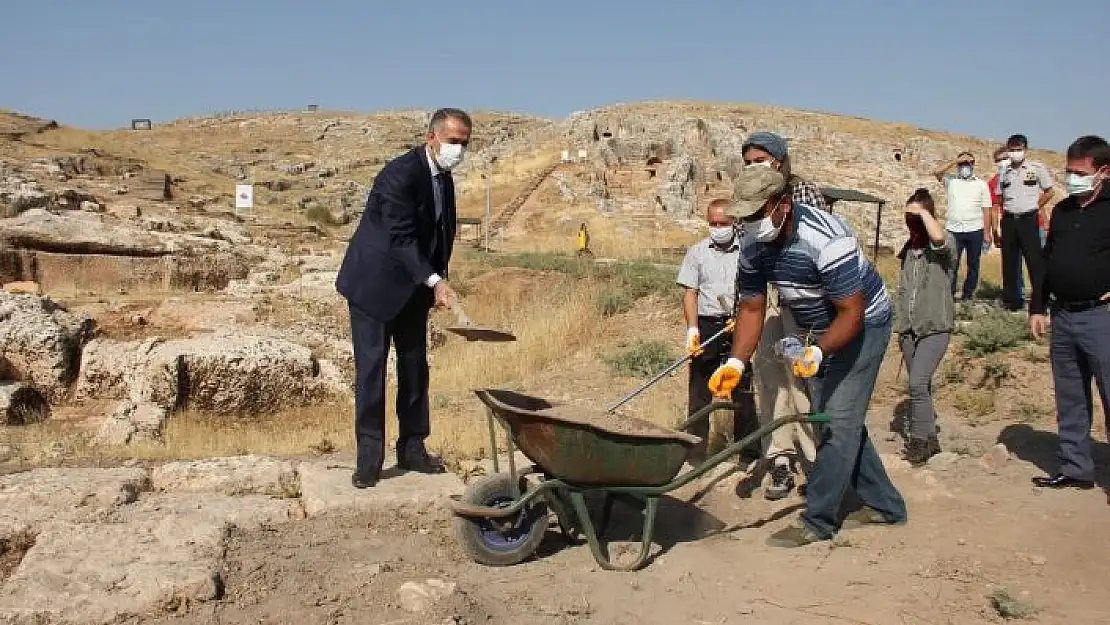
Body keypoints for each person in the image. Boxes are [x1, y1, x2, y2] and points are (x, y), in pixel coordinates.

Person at [709, 166, 907, 547]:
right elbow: (751, 308)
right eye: (742, 217)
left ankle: (817, 520)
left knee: (837, 420)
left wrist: (818, 351)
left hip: (863, 326)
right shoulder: (752, 243)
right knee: (834, 420)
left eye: (755, 214)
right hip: (815, 330)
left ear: (782, 204)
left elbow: (852, 312)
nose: (747, 224)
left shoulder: (827, 240)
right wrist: (736, 362)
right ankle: (885, 505)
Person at [335, 108, 471, 488]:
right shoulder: (399, 175)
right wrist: (434, 280)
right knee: (372, 371)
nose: (458, 150)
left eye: (465, 143)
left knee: (415, 368)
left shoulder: (443, 179)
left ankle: (413, 447)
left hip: (414, 289)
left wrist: (438, 279)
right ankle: (369, 459)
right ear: (432, 137)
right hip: (374, 288)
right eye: (453, 141)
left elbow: (440, 234)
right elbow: (401, 238)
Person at [739, 131, 825, 498]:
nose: (754, 167)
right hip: (767, 301)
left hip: (800, 304)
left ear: (778, 159)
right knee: (768, 379)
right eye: (748, 163)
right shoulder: (746, 193)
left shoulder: (803, 192)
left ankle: (815, 463)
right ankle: (779, 459)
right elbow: (749, 252)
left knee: (800, 383)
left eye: (760, 159)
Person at [1028, 135, 1110, 490]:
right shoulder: (1062, 210)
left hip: (1101, 317)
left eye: (1079, 172)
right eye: (1067, 171)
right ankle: (1076, 468)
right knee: (1070, 396)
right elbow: (1046, 263)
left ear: (1103, 171)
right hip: (1063, 316)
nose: (1071, 178)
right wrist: (1037, 306)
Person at [676, 199, 759, 464]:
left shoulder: (747, 251)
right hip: (707, 323)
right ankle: (696, 455)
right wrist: (692, 328)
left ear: (734, 223)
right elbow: (691, 292)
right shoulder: (697, 252)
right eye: (713, 223)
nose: (718, 228)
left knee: (742, 389)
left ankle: (749, 452)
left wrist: (742, 318)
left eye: (723, 223)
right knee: (699, 391)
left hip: (739, 322)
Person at [894, 189, 956, 465]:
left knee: (917, 383)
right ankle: (930, 438)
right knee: (922, 387)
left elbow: (939, 238)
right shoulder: (909, 251)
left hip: (935, 328)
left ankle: (919, 441)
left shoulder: (944, 245)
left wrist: (924, 213)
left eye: (917, 217)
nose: (913, 222)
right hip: (909, 329)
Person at [997, 134, 1054, 311]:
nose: (1015, 153)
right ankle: (1012, 302)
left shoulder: (1036, 168)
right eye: (1012, 150)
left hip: (1028, 219)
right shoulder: (1004, 171)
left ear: (1025, 150)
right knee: (1009, 263)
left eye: (1018, 149)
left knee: (1035, 262)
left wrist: (1035, 207)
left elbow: (1049, 191)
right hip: (1009, 220)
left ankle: (1039, 302)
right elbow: (1000, 196)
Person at [932, 152, 991, 300]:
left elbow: (986, 209)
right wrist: (954, 160)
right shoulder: (951, 181)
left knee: (973, 264)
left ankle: (968, 294)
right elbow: (937, 172)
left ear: (973, 164)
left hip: (975, 229)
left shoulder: (981, 185)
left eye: (968, 163)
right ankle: (949, 293)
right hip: (954, 230)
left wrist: (987, 233)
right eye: (962, 163)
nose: (965, 166)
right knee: (952, 263)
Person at [989, 148, 1024, 301]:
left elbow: (1039, 198)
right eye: (998, 160)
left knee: (1038, 262)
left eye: (1004, 158)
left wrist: (1045, 222)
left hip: (1033, 223)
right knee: (1012, 263)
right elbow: (995, 207)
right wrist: (995, 230)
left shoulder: (1024, 173)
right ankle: (1015, 296)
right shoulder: (994, 182)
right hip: (1010, 223)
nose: (1002, 162)